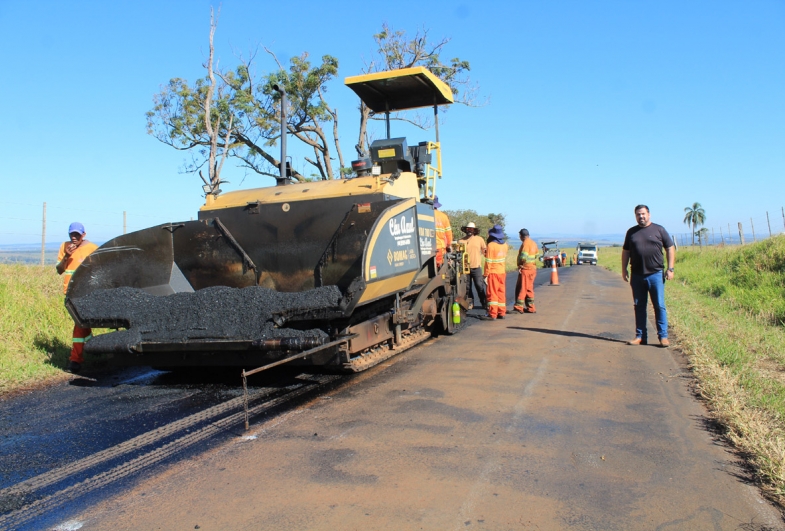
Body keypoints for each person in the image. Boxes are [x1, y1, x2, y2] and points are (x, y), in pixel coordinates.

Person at [622, 205, 676, 347]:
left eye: (643, 214)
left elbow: (670, 247)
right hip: (637, 275)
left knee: (659, 305)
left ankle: (663, 337)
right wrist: (624, 269)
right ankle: (640, 336)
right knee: (639, 305)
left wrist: (670, 268)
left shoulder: (659, 229)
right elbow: (626, 251)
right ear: (635, 216)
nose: (641, 217)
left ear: (649, 214)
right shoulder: (631, 232)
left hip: (655, 274)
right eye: (638, 214)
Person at [56, 222, 98, 373]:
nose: (74, 238)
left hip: (86, 292)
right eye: (71, 235)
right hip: (70, 293)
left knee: (79, 324)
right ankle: (93, 348)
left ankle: (75, 360)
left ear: (83, 235)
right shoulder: (64, 246)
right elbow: (59, 270)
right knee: (82, 323)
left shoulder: (92, 248)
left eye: (77, 235)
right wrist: (67, 255)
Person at [458, 222, 487, 310]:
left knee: (479, 285)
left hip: (476, 266)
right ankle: (470, 303)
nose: (469, 231)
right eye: (468, 229)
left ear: (474, 230)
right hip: (465, 268)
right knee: (467, 287)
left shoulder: (479, 239)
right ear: (465, 230)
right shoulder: (461, 241)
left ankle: (484, 303)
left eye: (471, 229)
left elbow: (485, 251)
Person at [483, 225, 508, 320]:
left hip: (493, 273)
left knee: (492, 293)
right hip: (502, 272)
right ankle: (501, 312)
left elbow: (488, 262)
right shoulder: (505, 245)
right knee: (501, 292)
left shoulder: (491, 245)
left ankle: (492, 313)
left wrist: (485, 274)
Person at [513, 229, 538, 314]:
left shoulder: (526, 244)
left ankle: (518, 306)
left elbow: (523, 256)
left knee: (522, 288)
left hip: (526, 269)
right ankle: (531, 307)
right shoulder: (533, 243)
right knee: (529, 288)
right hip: (533, 268)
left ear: (521, 236)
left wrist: (520, 264)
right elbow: (537, 255)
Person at [433, 196, 453, 269]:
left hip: (426, 248)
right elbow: (448, 234)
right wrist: (448, 245)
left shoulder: (423, 215)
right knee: (439, 269)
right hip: (440, 247)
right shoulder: (443, 216)